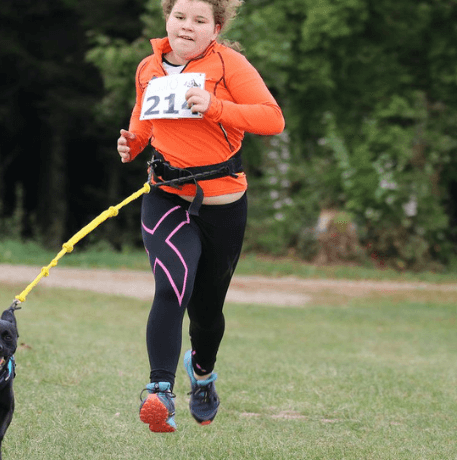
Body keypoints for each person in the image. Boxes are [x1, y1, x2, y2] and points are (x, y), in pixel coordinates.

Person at [115, 0, 284, 433]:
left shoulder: (230, 64)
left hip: (224, 206)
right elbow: (144, 122)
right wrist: (132, 143)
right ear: (167, 19)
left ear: (216, 27)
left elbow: (272, 119)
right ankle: (160, 391)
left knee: (207, 312)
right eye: (179, 17)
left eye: (199, 20)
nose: (186, 26)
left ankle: (203, 375)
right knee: (173, 285)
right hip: (166, 197)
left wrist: (214, 106)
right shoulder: (147, 68)